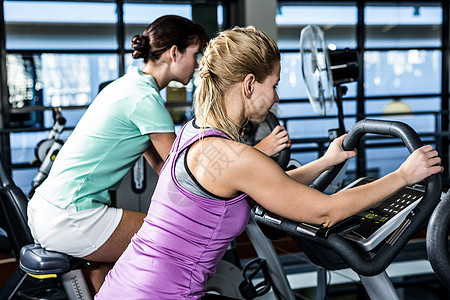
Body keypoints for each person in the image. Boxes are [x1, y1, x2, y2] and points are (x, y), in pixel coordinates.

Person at [95, 26, 443, 299]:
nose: (276, 97)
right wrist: (402, 175)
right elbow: (326, 211)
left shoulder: (195, 134)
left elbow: (270, 184)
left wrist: (325, 161)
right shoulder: (235, 156)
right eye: (273, 85)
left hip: (125, 285)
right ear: (249, 84)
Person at [26, 15, 290, 294]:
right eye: (195, 53)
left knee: (123, 261)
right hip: (71, 216)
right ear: (174, 53)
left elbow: (168, 170)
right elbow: (187, 171)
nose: (199, 64)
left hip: (48, 209)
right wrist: (258, 154)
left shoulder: (130, 86)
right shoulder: (146, 100)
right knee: (169, 240)